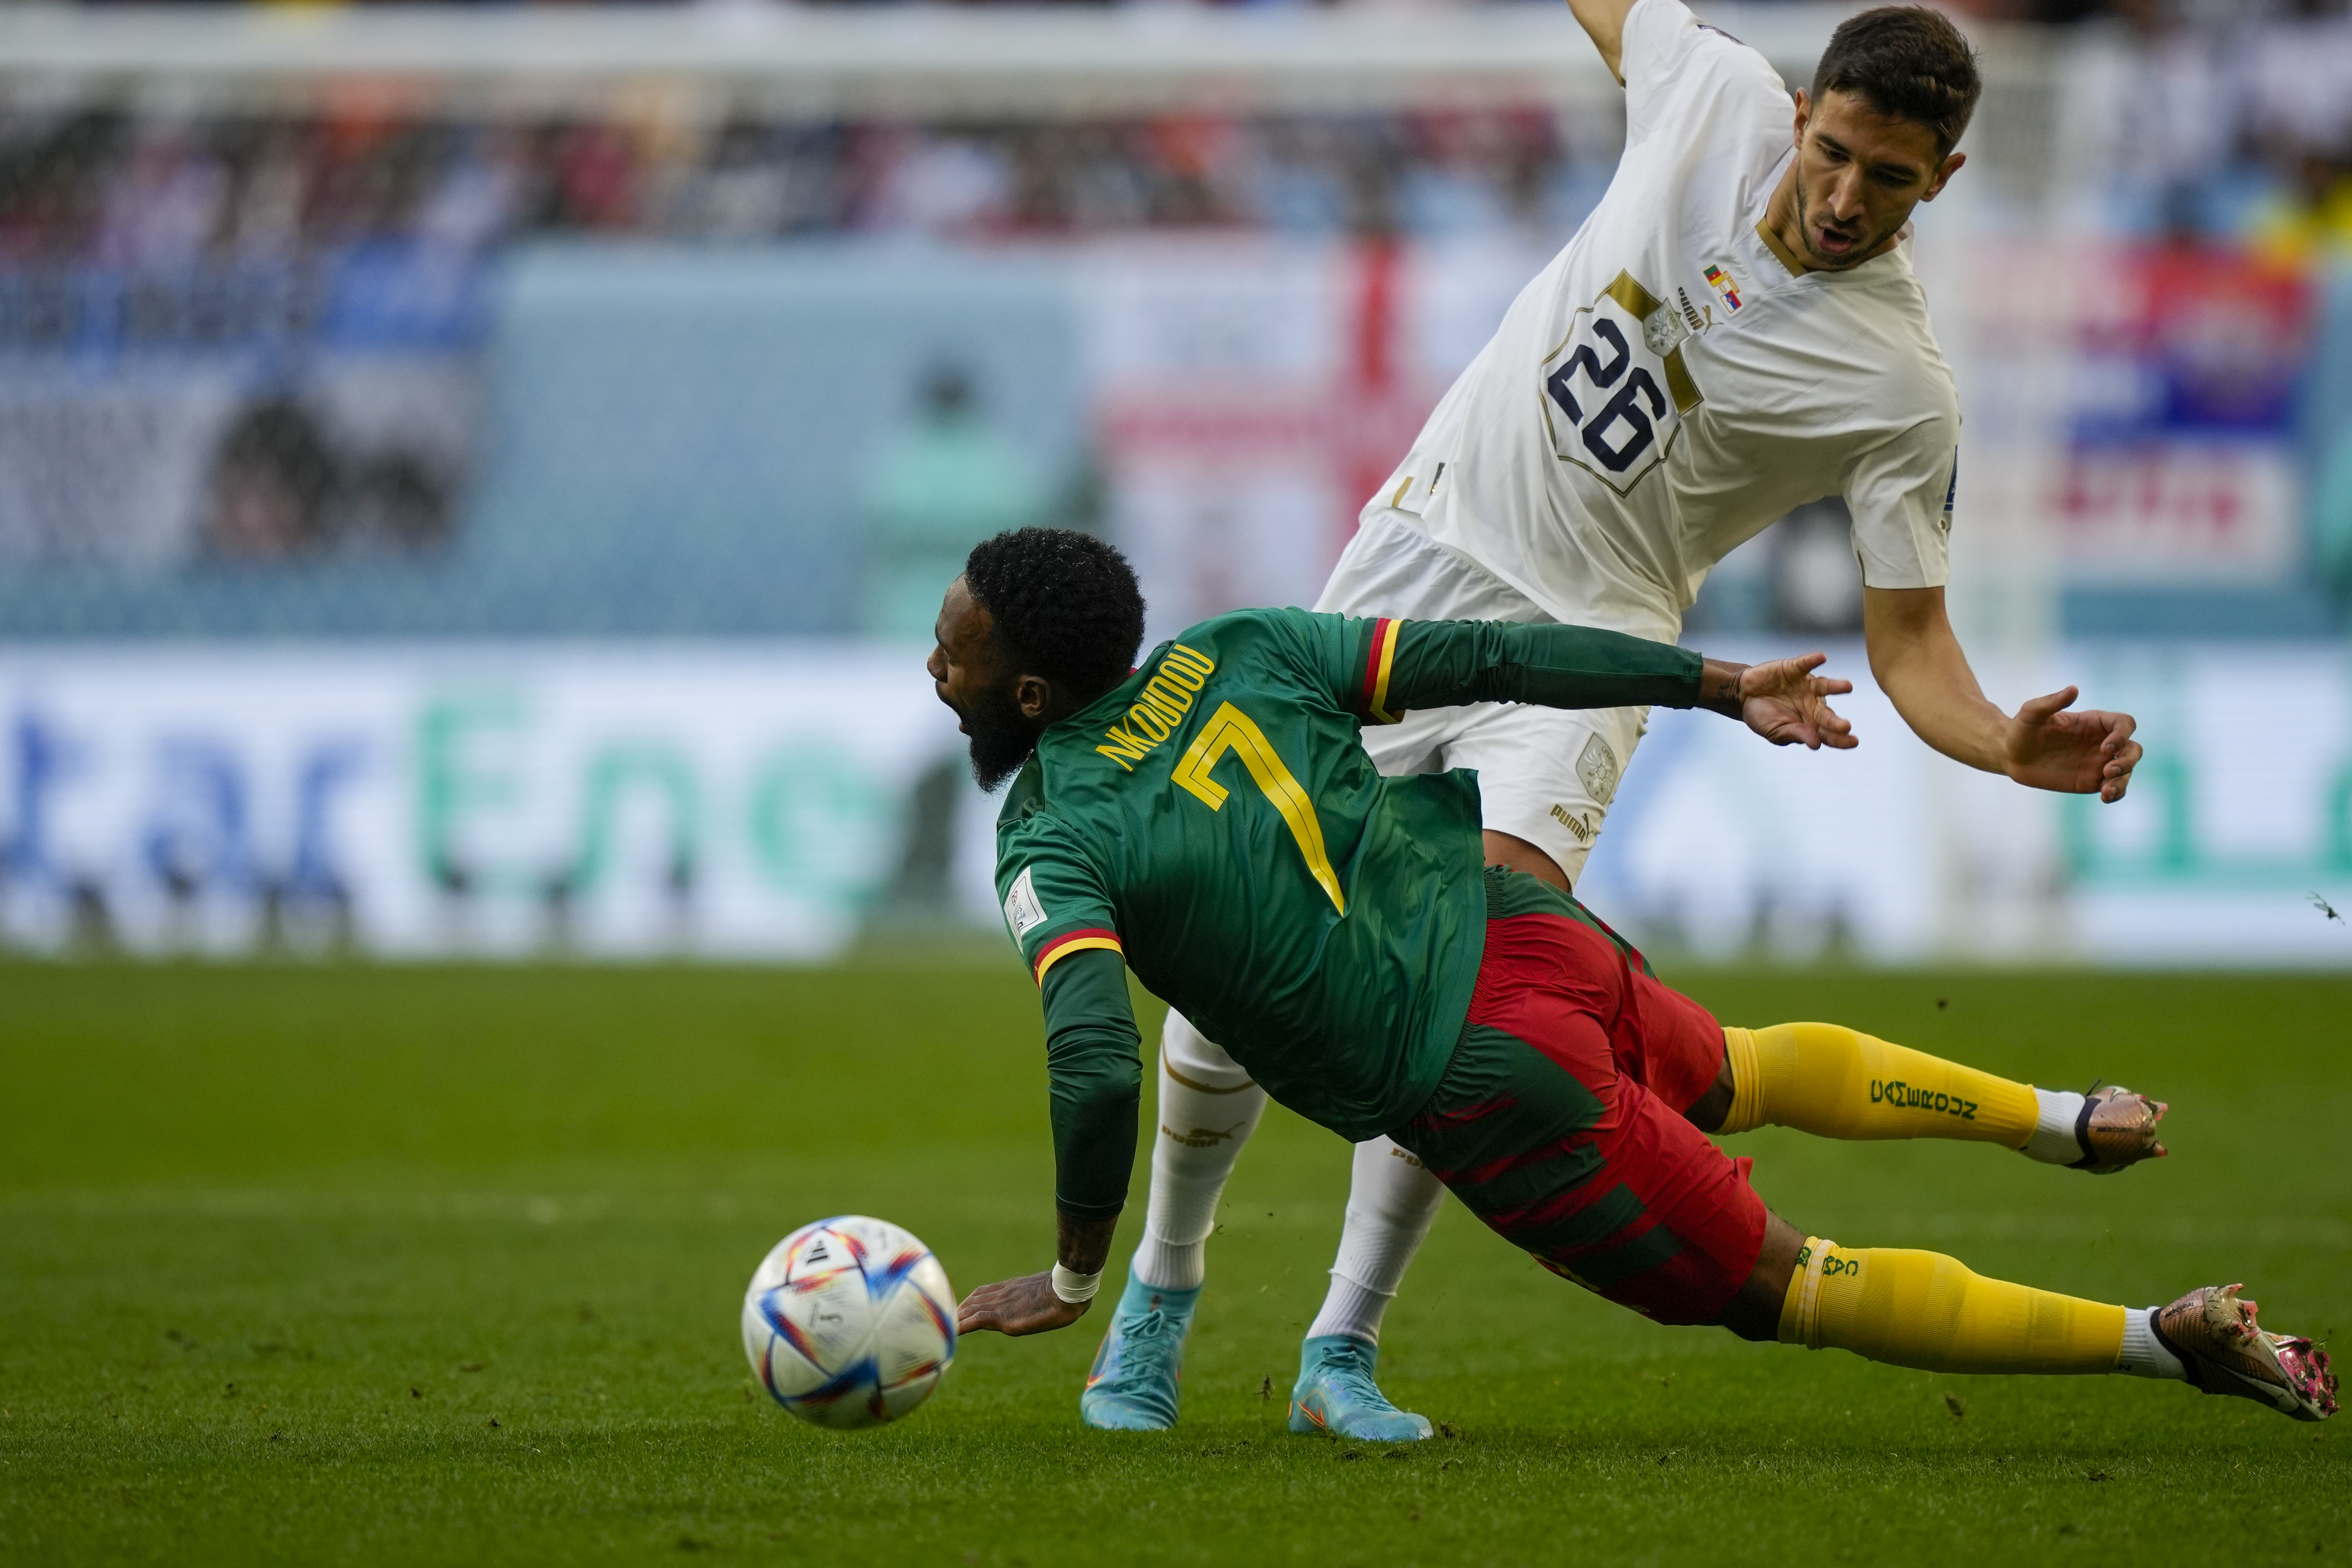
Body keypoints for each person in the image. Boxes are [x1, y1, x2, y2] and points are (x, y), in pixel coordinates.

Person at [1105, 0, 2153, 1439]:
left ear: (1946, 180)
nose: (1851, 199)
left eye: (1894, 179)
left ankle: (1341, 1347)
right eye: (1838, 153)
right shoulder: (1708, 88)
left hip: (1587, 653)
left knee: (1477, 990)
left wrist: (1999, 742)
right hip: (1411, 579)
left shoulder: (1903, 391)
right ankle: (1161, 1292)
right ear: (1799, 112)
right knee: (1239, 961)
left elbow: (1911, 644)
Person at [937, 530, 2335, 1428]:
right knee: (1738, 1068)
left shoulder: (1052, 829)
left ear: (1036, 697)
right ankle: (2059, 1115)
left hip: (1486, 1082)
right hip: (1533, 936)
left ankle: (2164, 1341)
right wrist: (1719, 684)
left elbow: (1100, 1057)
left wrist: (1073, 1268)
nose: (937, 669)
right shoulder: (1242, 645)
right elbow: (1496, 656)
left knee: (1789, 1283)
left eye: (959, 654)